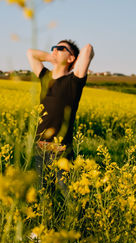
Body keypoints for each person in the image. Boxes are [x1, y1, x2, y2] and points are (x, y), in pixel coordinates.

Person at [27, 40, 94, 192]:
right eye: (54, 47)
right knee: (43, 196)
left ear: (71, 58)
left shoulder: (73, 82)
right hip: (40, 149)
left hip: (61, 150)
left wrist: (72, 62)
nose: (55, 50)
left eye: (61, 48)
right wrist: (53, 57)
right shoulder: (45, 77)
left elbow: (88, 49)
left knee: (68, 196)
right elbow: (31, 53)